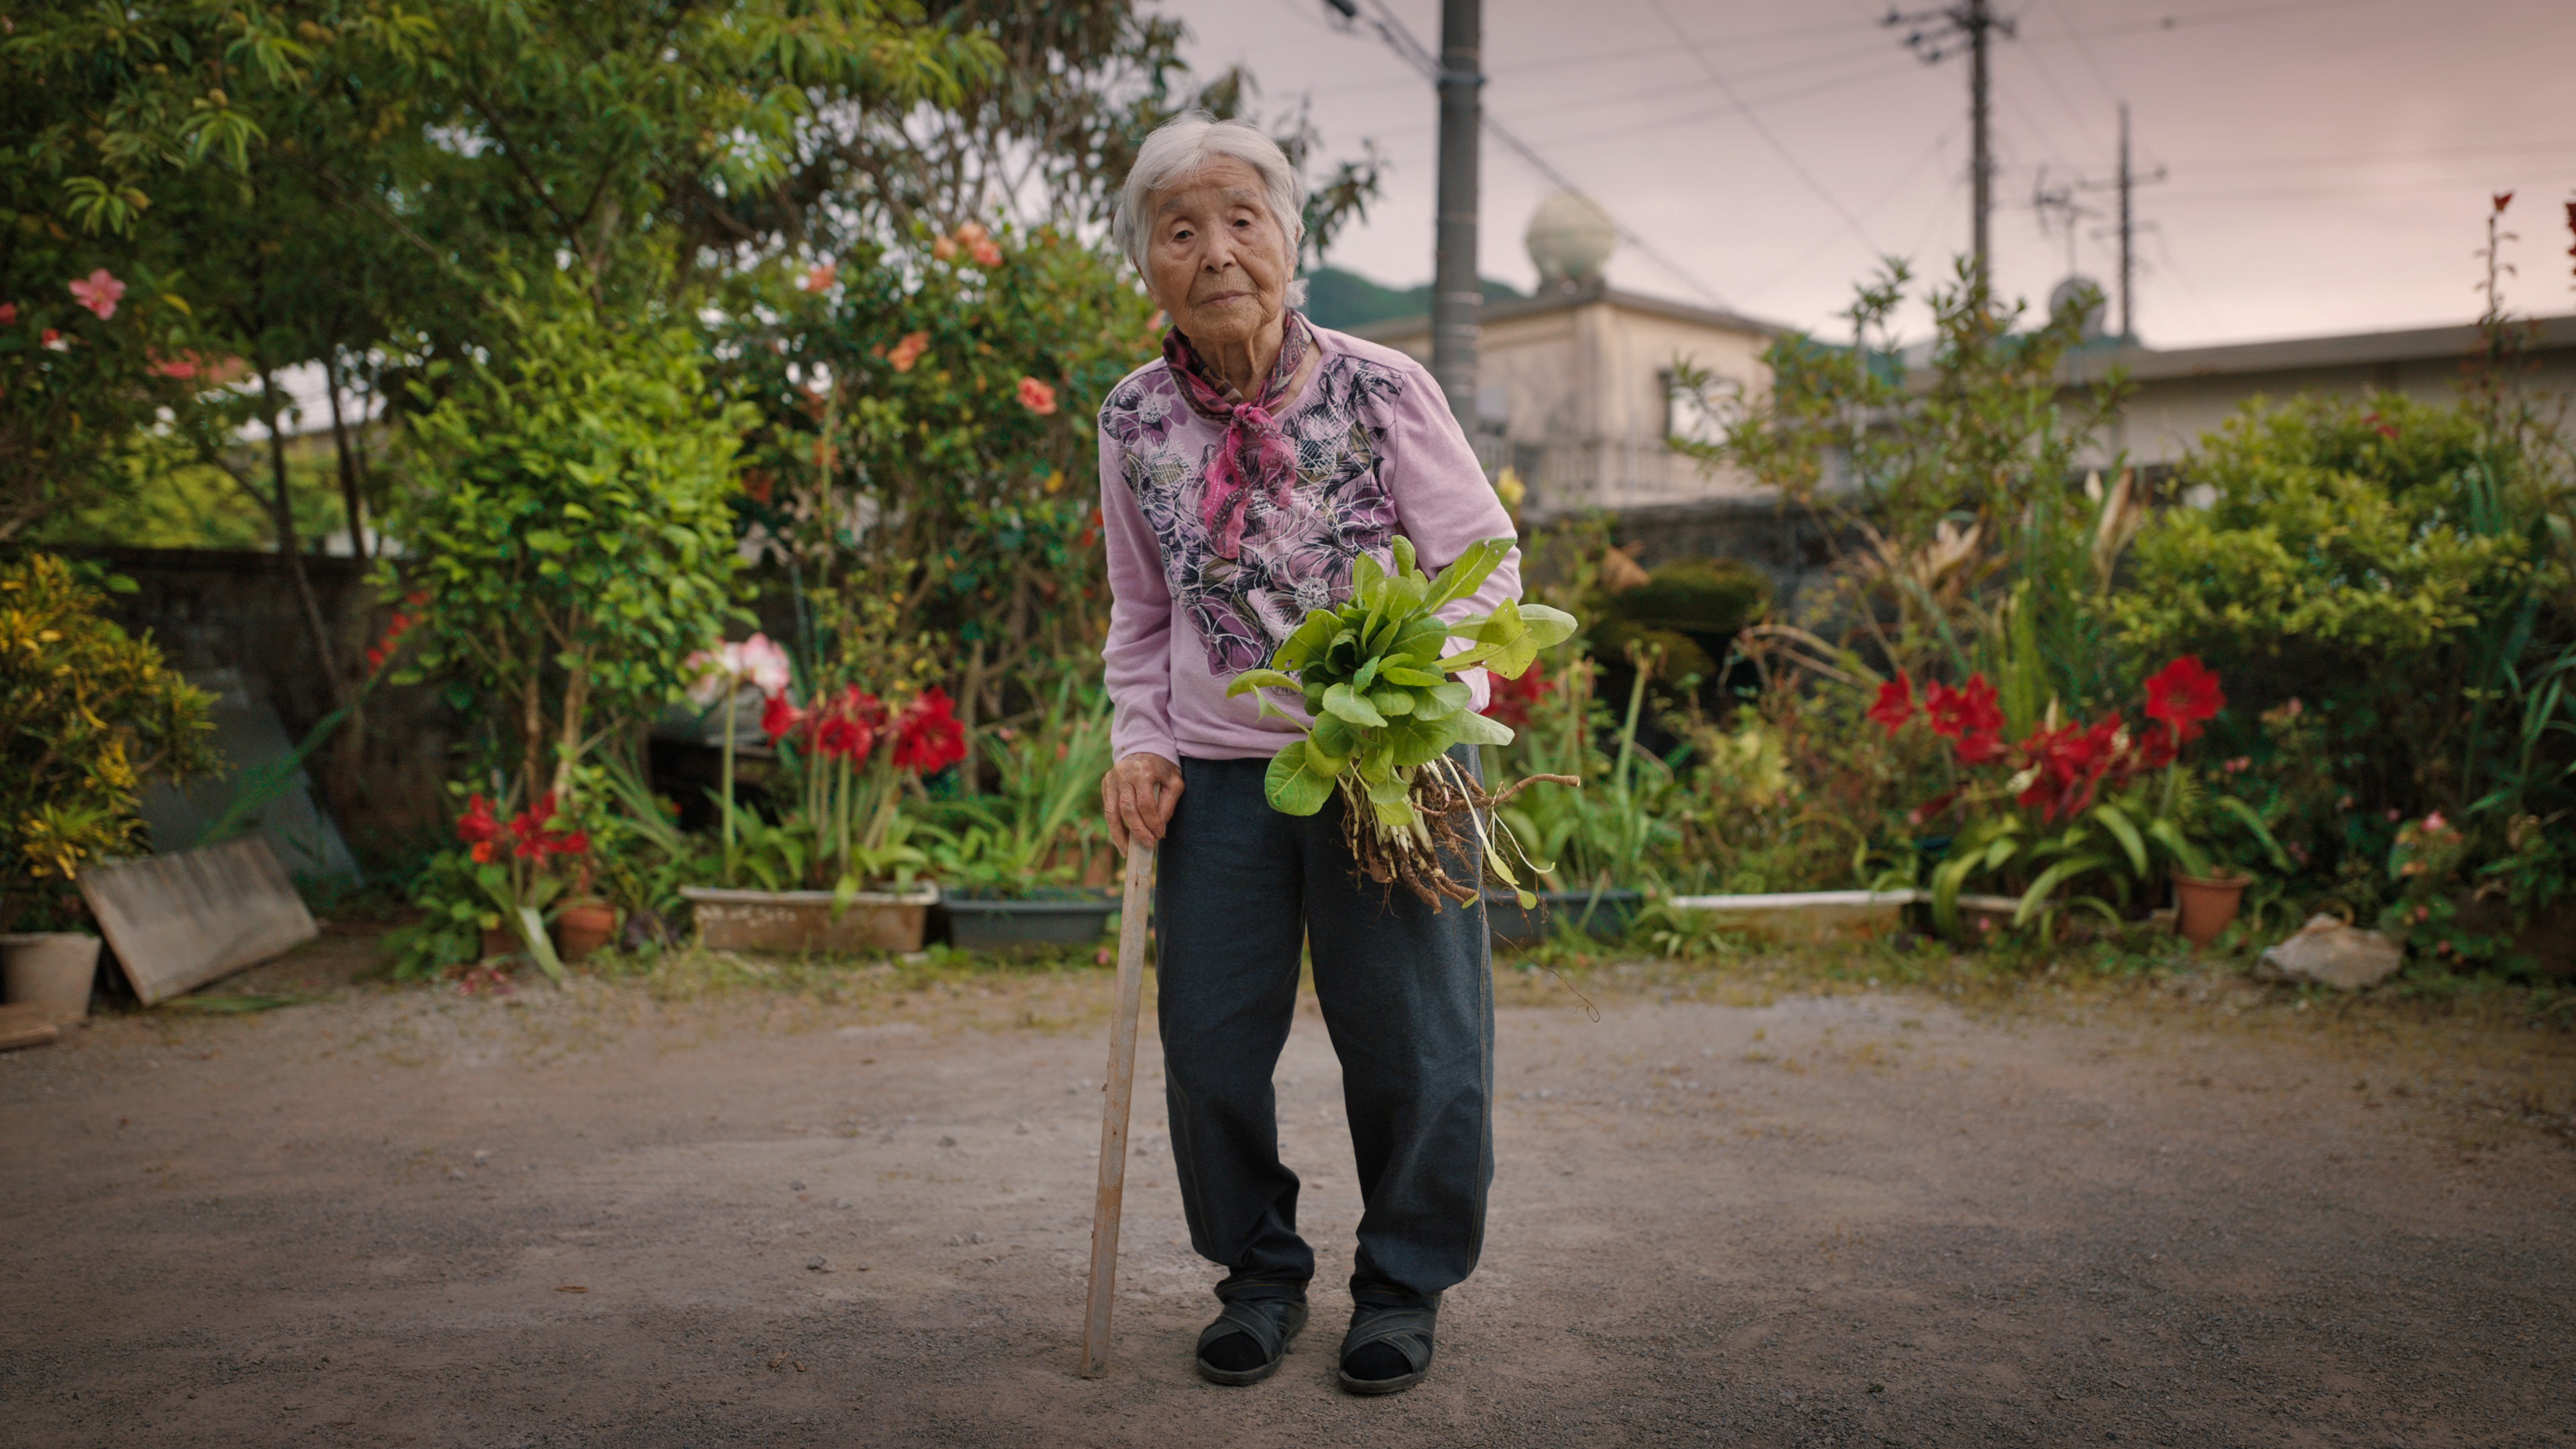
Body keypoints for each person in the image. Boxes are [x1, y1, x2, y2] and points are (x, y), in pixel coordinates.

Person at [1094, 111, 1521, 1396]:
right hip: (1223, 777)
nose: (1216, 250)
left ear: (1291, 238)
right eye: (1181, 229)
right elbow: (1143, 610)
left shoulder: (1383, 388)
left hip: (1391, 766)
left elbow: (1480, 567)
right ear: (1148, 262)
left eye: (1242, 219)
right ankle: (1260, 1277)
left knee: (1417, 1042)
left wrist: (1407, 695)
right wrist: (1140, 736)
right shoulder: (1129, 422)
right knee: (1211, 1044)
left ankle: (1400, 1286)